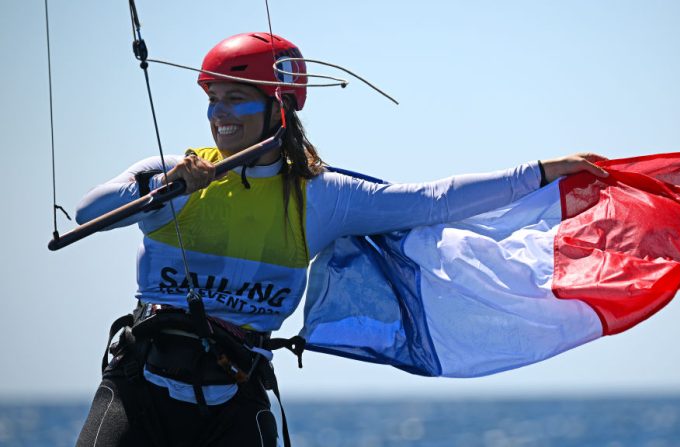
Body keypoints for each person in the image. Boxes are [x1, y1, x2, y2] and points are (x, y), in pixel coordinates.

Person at [73, 32, 608, 447]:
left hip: (235, 397)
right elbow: (87, 213)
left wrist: (539, 171)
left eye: (236, 100)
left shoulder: (322, 197)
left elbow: (432, 199)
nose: (219, 114)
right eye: (213, 100)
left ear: (278, 110)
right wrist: (163, 189)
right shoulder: (177, 176)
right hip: (141, 387)